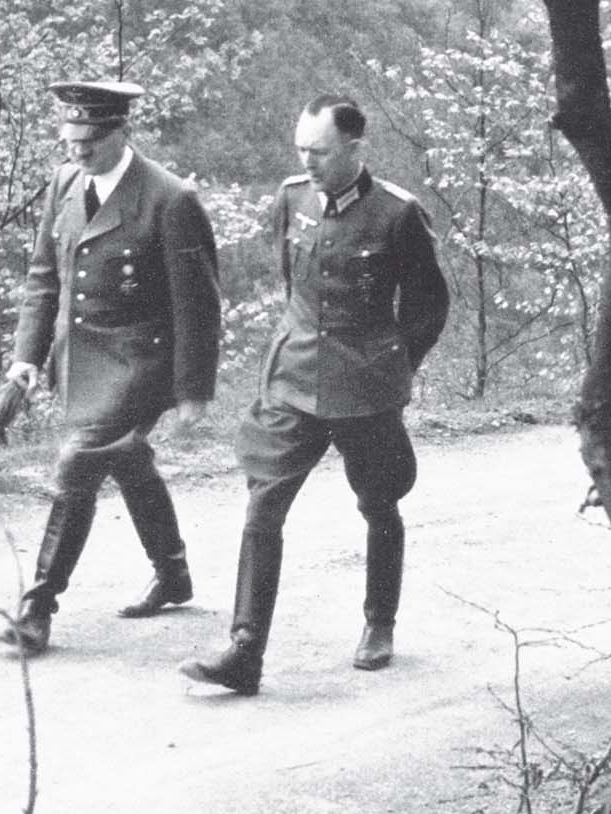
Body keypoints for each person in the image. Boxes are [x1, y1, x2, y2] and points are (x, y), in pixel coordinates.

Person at [179, 94, 449, 695]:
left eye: (321, 151)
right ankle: (245, 650)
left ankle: (379, 623)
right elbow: (290, 283)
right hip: (294, 378)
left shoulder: (397, 215)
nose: (310, 160)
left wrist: (394, 363)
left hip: (366, 386)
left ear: (356, 148)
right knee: (262, 507)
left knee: (379, 503)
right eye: (302, 149)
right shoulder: (291, 197)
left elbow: (429, 307)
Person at [0, 78, 221, 655]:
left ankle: (37, 606)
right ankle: (173, 573)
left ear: (121, 132)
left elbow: (198, 304)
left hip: (140, 363)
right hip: (82, 358)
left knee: (79, 465)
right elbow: (46, 278)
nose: (76, 151)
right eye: (68, 139)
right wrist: (25, 361)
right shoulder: (65, 184)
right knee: (126, 458)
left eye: (89, 142)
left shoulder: (170, 199)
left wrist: (194, 389)